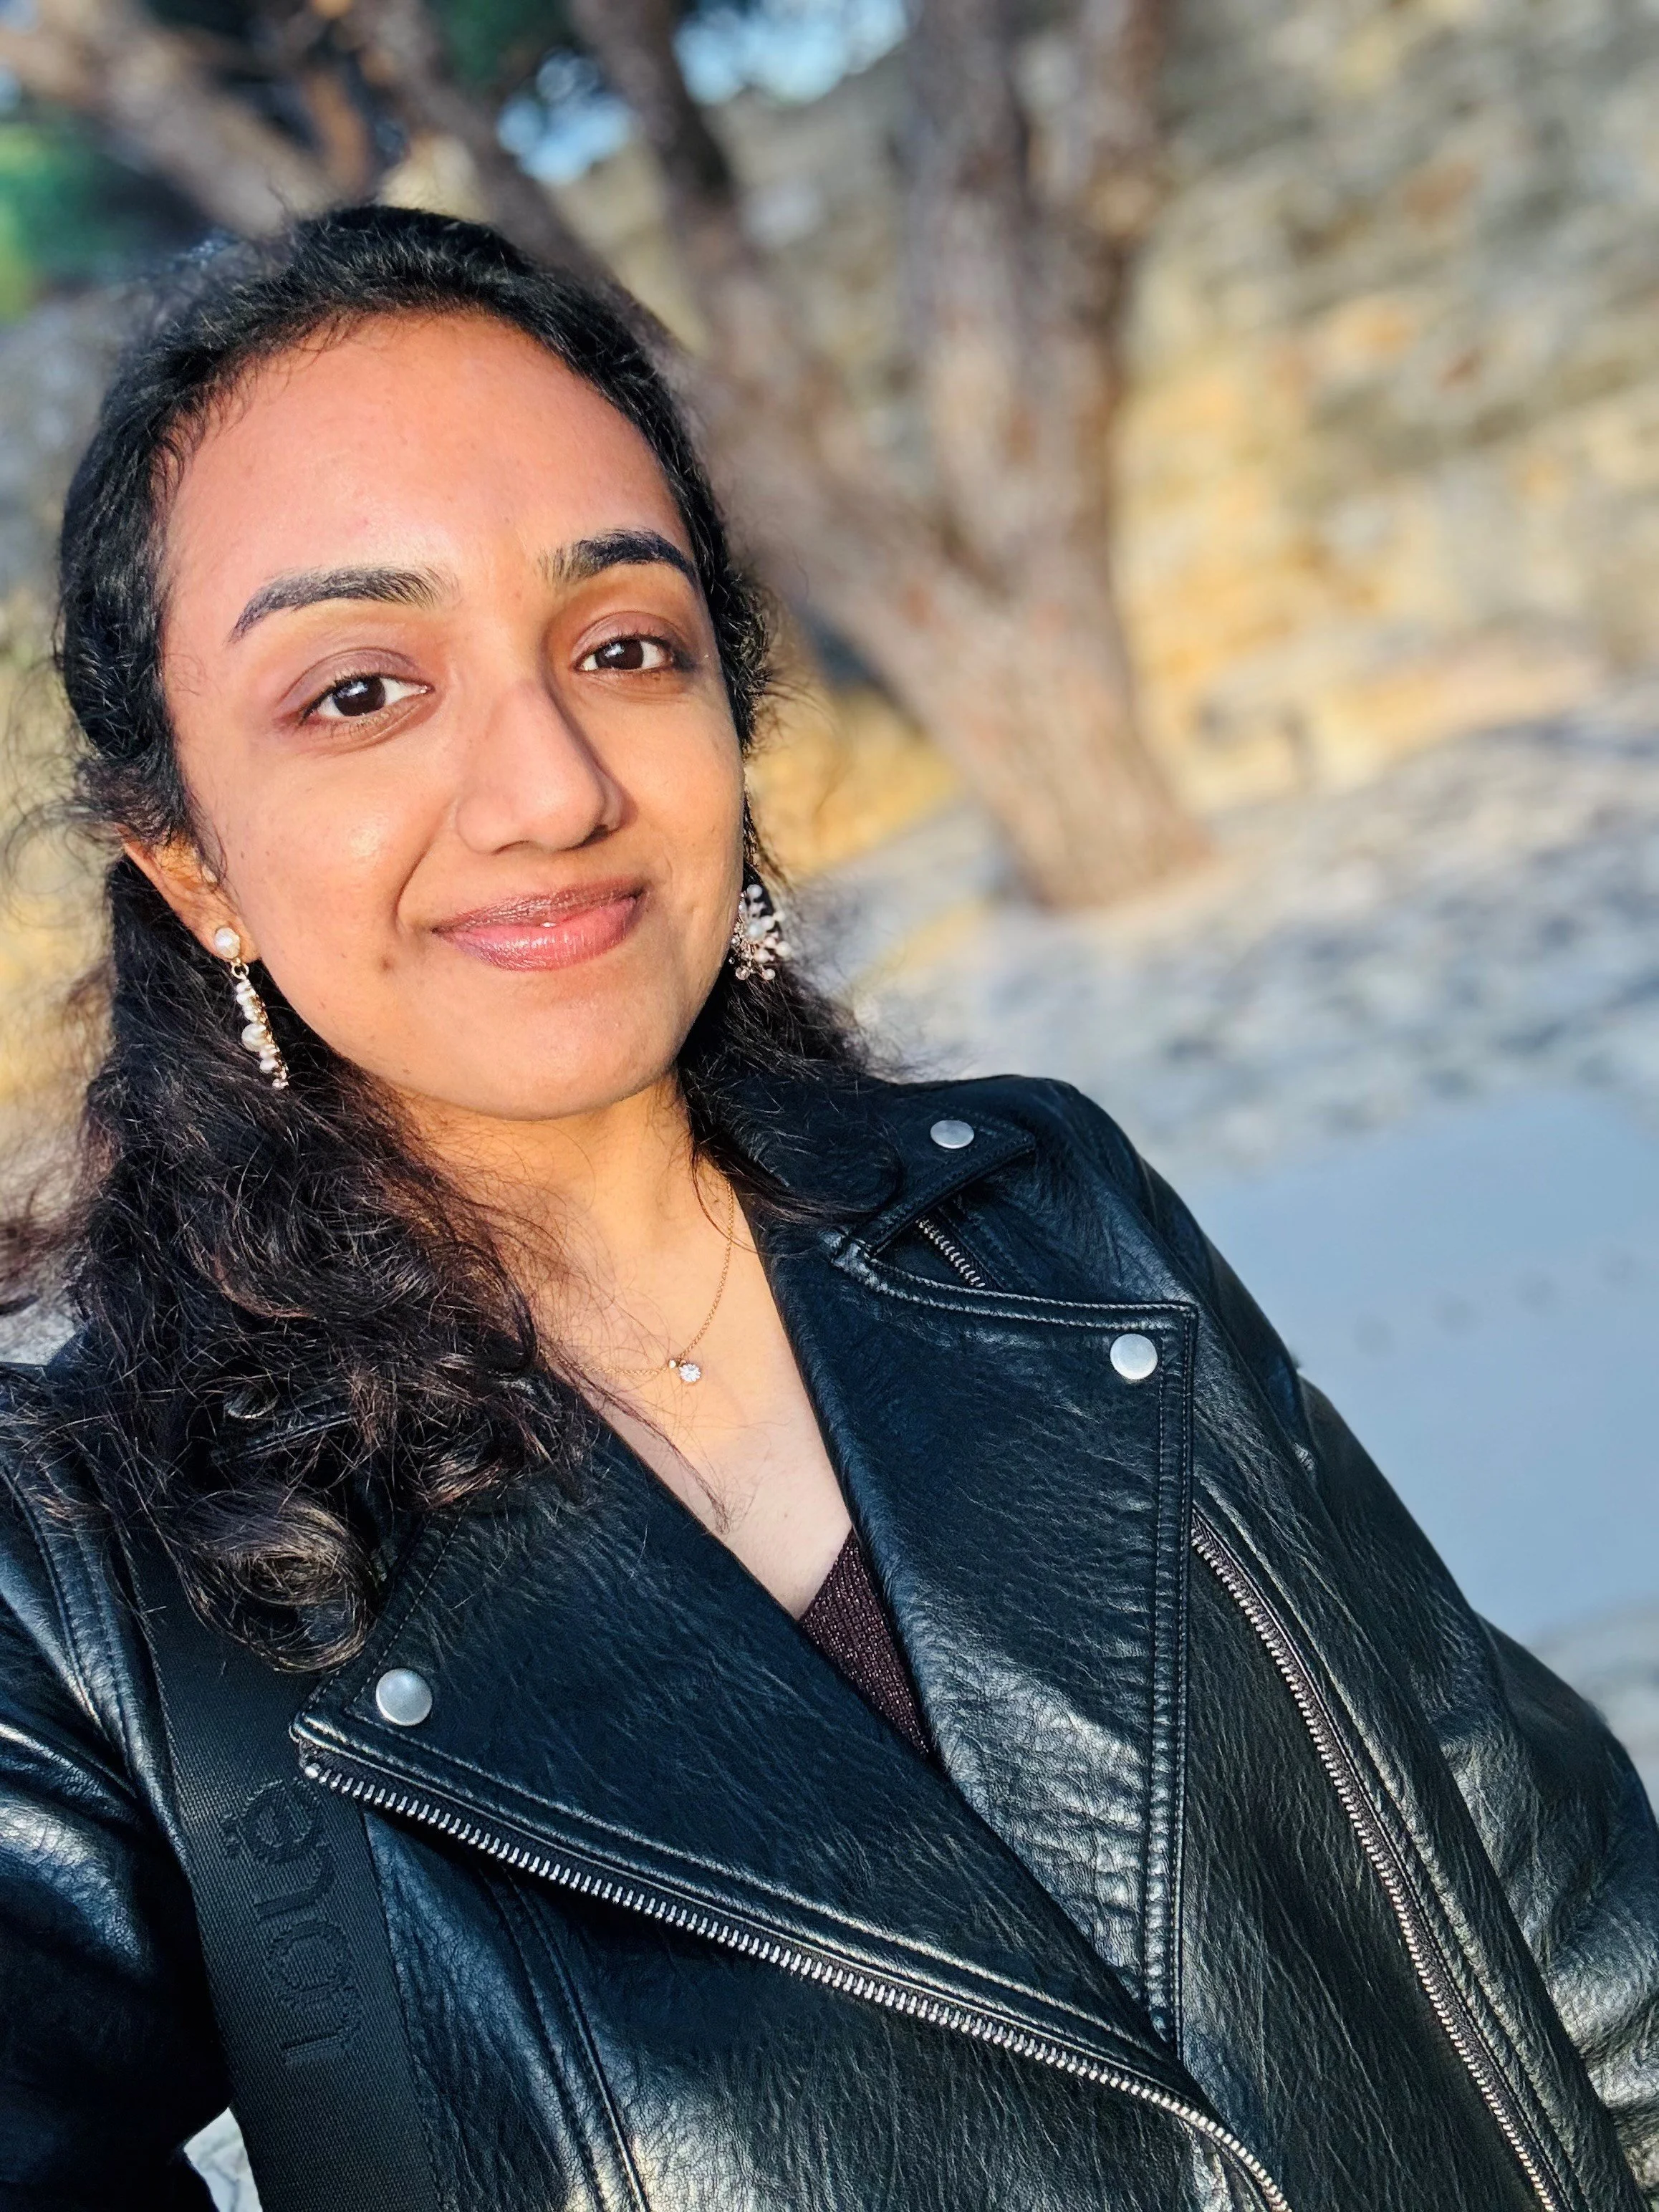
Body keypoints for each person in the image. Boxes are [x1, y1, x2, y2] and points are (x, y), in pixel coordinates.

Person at [0, 204, 1655, 2212]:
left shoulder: (1037, 1213)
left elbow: (1556, 1923)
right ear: (189, 858)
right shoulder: (85, 1571)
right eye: (359, 691)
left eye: (622, 646)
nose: (548, 785)